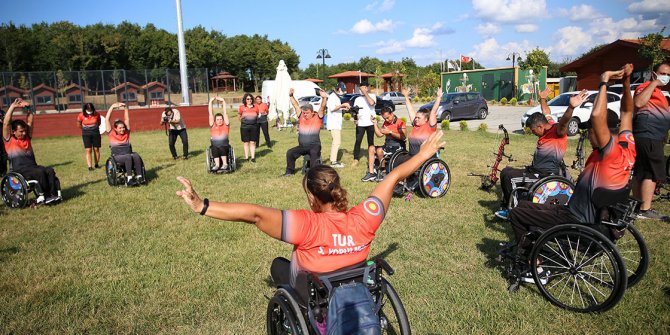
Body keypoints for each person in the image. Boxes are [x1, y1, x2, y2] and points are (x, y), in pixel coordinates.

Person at [175, 129, 445, 292]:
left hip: (315, 293)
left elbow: (254, 213)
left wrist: (202, 206)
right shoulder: (366, 217)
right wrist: (425, 153)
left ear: (312, 198)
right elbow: (394, 175)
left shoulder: (305, 225)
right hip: (354, 284)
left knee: (278, 266)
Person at [507, 64, 636, 281]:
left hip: (577, 221)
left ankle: (536, 267)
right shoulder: (627, 145)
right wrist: (626, 81)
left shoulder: (609, 152)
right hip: (598, 220)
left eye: (590, 132)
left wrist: (604, 81)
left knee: (517, 212)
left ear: (601, 133)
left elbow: (597, 116)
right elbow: (627, 111)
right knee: (528, 205)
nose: (588, 137)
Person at [494, 88, 587, 219]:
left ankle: (513, 212)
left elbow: (564, 122)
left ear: (539, 127)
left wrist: (571, 107)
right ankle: (506, 205)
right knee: (506, 171)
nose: (533, 133)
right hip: (534, 170)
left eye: (533, 131)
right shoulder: (547, 125)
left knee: (510, 178)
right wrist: (542, 98)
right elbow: (546, 112)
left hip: (545, 175)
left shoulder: (557, 132)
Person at [2, 98, 61, 204]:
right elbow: (6, 124)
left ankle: (53, 195)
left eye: (25, 131)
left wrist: (28, 108)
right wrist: (13, 107)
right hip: (19, 170)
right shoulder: (9, 140)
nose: (24, 133)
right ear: (14, 131)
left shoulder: (27, 137)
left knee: (49, 170)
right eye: (21, 131)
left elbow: (30, 121)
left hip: (32, 167)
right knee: (40, 172)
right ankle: (45, 196)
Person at [631, 62, 670, 220]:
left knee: (642, 171)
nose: (666, 77)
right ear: (654, 74)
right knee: (653, 173)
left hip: (652, 136)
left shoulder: (660, 93)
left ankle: (636, 206)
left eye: (668, 75)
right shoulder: (647, 86)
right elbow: (639, 102)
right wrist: (653, 83)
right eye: (663, 73)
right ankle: (644, 210)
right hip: (648, 135)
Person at [282, 88, 328, 176]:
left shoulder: (318, 118)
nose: (305, 114)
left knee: (314, 154)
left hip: (314, 145)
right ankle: (289, 172)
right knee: (290, 152)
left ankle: (313, 174)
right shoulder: (301, 116)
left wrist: (324, 98)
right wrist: (291, 96)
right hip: (302, 146)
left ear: (312, 112)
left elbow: (322, 107)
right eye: (304, 112)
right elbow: (296, 105)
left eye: (307, 113)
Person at [361, 107, 406, 182]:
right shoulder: (386, 123)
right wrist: (375, 123)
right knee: (371, 148)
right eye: (384, 118)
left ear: (392, 114)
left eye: (388, 118)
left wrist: (390, 132)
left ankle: (383, 171)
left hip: (397, 146)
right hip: (387, 145)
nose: (386, 120)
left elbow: (403, 137)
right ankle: (371, 173)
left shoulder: (400, 122)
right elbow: (379, 135)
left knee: (379, 150)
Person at [105, 102, 144, 186]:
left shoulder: (126, 132)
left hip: (127, 154)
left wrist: (125, 108)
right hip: (117, 157)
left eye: (123, 127)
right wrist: (112, 107)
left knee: (136, 155)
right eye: (120, 128)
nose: (122, 129)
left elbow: (127, 119)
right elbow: (107, 119)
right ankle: (129, 179)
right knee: (128, 156)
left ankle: (140, 177)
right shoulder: (111, 133)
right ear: (115, 128)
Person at [352, 81, 376, 166]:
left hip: (370, 122)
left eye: (362, 88)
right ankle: (356, 159)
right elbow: (355, 111)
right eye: (360, 88)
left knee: (370, 141)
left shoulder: (372, 96)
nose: (361, 90)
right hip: (361, 123)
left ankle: (371, 157)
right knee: (358, 141)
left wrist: (365, 93)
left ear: (366, 88)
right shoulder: (357, 99)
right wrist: (355, 119)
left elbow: (371, 103)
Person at [326, 82, 350, 168]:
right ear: (339, 89)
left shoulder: (336, 97)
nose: (343, 93)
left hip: (336, 124)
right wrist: (343, 105)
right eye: (343, 91)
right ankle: (333, 162)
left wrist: (343, 108)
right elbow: (332, 108)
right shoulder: (332, 97)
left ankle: (333, 160)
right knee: (336, 142)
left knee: (336, 142)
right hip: (334, 124)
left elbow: (337, 108)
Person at [208, 96, 231, 172]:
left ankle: (225, 164)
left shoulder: (226, 125)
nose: (219, 121)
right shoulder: (213, 125)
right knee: (214, 148)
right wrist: (210, 102)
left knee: (221, 147)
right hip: (215, 145)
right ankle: (217, 165)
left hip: (224, 146)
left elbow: (225, 113)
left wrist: (223, 101)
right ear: (215, 120)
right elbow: (210, 113)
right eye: (217, 119)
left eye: (221, 119)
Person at [77, 102, 102, 171]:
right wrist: (85, 129)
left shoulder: (97, 114)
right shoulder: (81, 115)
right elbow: (78, 124)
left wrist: (94, 128)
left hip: (96, 133)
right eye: (88, 108)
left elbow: (99, 122)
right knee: (88, 150)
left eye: (90, 107)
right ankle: (90, 166)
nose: (89, 109)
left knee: (96, 149)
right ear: (85, 108)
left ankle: (96, 164)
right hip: (86, 134)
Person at [239, 93, 258, 162]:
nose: (249, 100)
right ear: (245, 100)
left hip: (254, 127)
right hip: (244, 127)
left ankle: (253, 158)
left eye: (250, 99)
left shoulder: (256, 107)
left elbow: (257, 115)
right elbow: (239, 117)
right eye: (248, 99)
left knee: (253, 142)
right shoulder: (242, 107)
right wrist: (242, 119)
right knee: (246, 142)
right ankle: (246, 158)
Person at [0, 109, 7, 176]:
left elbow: (7, 121)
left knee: (4, 155)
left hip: (2, 137)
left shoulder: (2, 112)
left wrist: (3, 119)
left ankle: (4, 172)